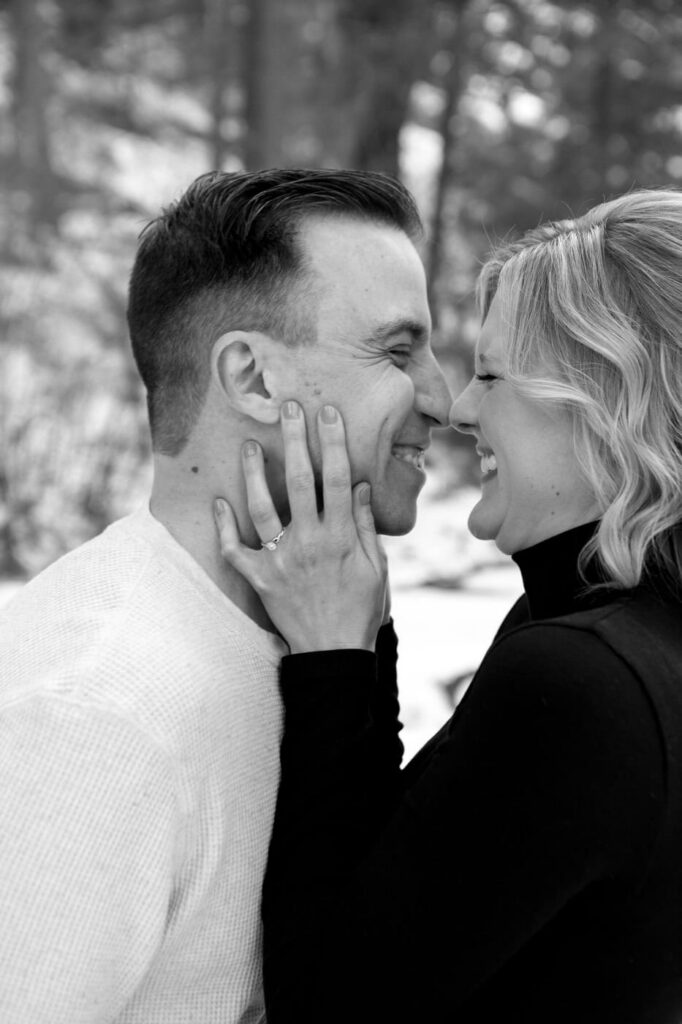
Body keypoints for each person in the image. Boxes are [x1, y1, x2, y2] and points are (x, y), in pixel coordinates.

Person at [215, 188, 682, 1024]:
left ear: (611, 402)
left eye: (493, 376)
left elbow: (328, 1005)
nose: (461, 408)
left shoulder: (586, 682)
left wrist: (336, 661)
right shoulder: (631, 639)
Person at [0, 169, 450, 1023]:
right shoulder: (94, 710)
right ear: (251, 378)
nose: (444, 399)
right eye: (398, 353)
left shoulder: (309, 648)